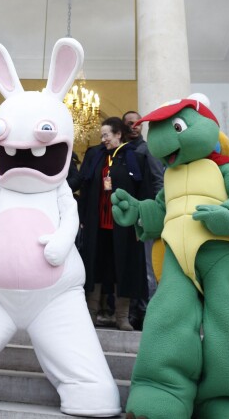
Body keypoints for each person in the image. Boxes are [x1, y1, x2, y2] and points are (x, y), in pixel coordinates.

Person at [78, 117, 150, 330]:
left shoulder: (135, 158)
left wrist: (142, 220)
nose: (103, 139)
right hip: (97, 224)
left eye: (106, 135)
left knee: (124, 268)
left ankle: (122, 317)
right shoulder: (94, 155)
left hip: (124, 226)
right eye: (101, 136)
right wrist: (81, 218)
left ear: (118, 134)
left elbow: (143, 191)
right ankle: (90, 314)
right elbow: (84, 186)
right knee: (95, 267)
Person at [122, 109, 165, 327]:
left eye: (137, 122)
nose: (133, 126)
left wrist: (157, 210)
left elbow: (159, 180)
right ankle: (133, 311)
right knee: (131, 265)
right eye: (129, 123)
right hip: (127, 218)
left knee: (149, 267)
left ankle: (150, 312)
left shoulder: (149, 150)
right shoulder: (121, 151)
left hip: (146, 216)